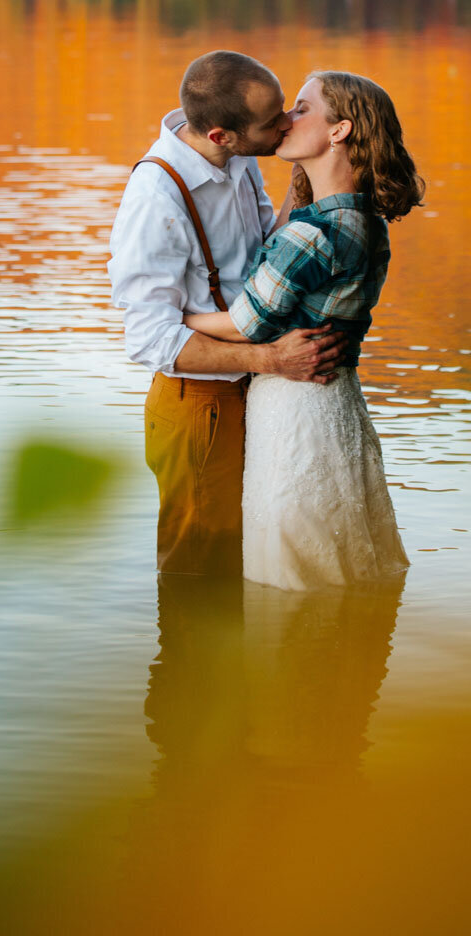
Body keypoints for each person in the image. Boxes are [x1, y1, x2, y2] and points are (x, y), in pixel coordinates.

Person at [108, 50, 347, 578]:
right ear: (223, 135)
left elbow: (265, 249)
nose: (287, 123)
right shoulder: (156, 197)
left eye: (286, 108)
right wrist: (272, 360)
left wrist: (307, 175)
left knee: (251, 563)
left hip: (254, 387)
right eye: (272, 122)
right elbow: (151, 339)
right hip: (200, 405)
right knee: (200, 574)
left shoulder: (237, 160)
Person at [183, 70, 423, 590]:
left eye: (302, 108)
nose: (285, 119)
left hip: (295, 410)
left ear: (340, 131)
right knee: (344, 558)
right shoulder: (363, 219)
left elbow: (248, 323)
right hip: (338, 403)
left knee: (291, 574)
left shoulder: (313, 233)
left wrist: (170, 316)